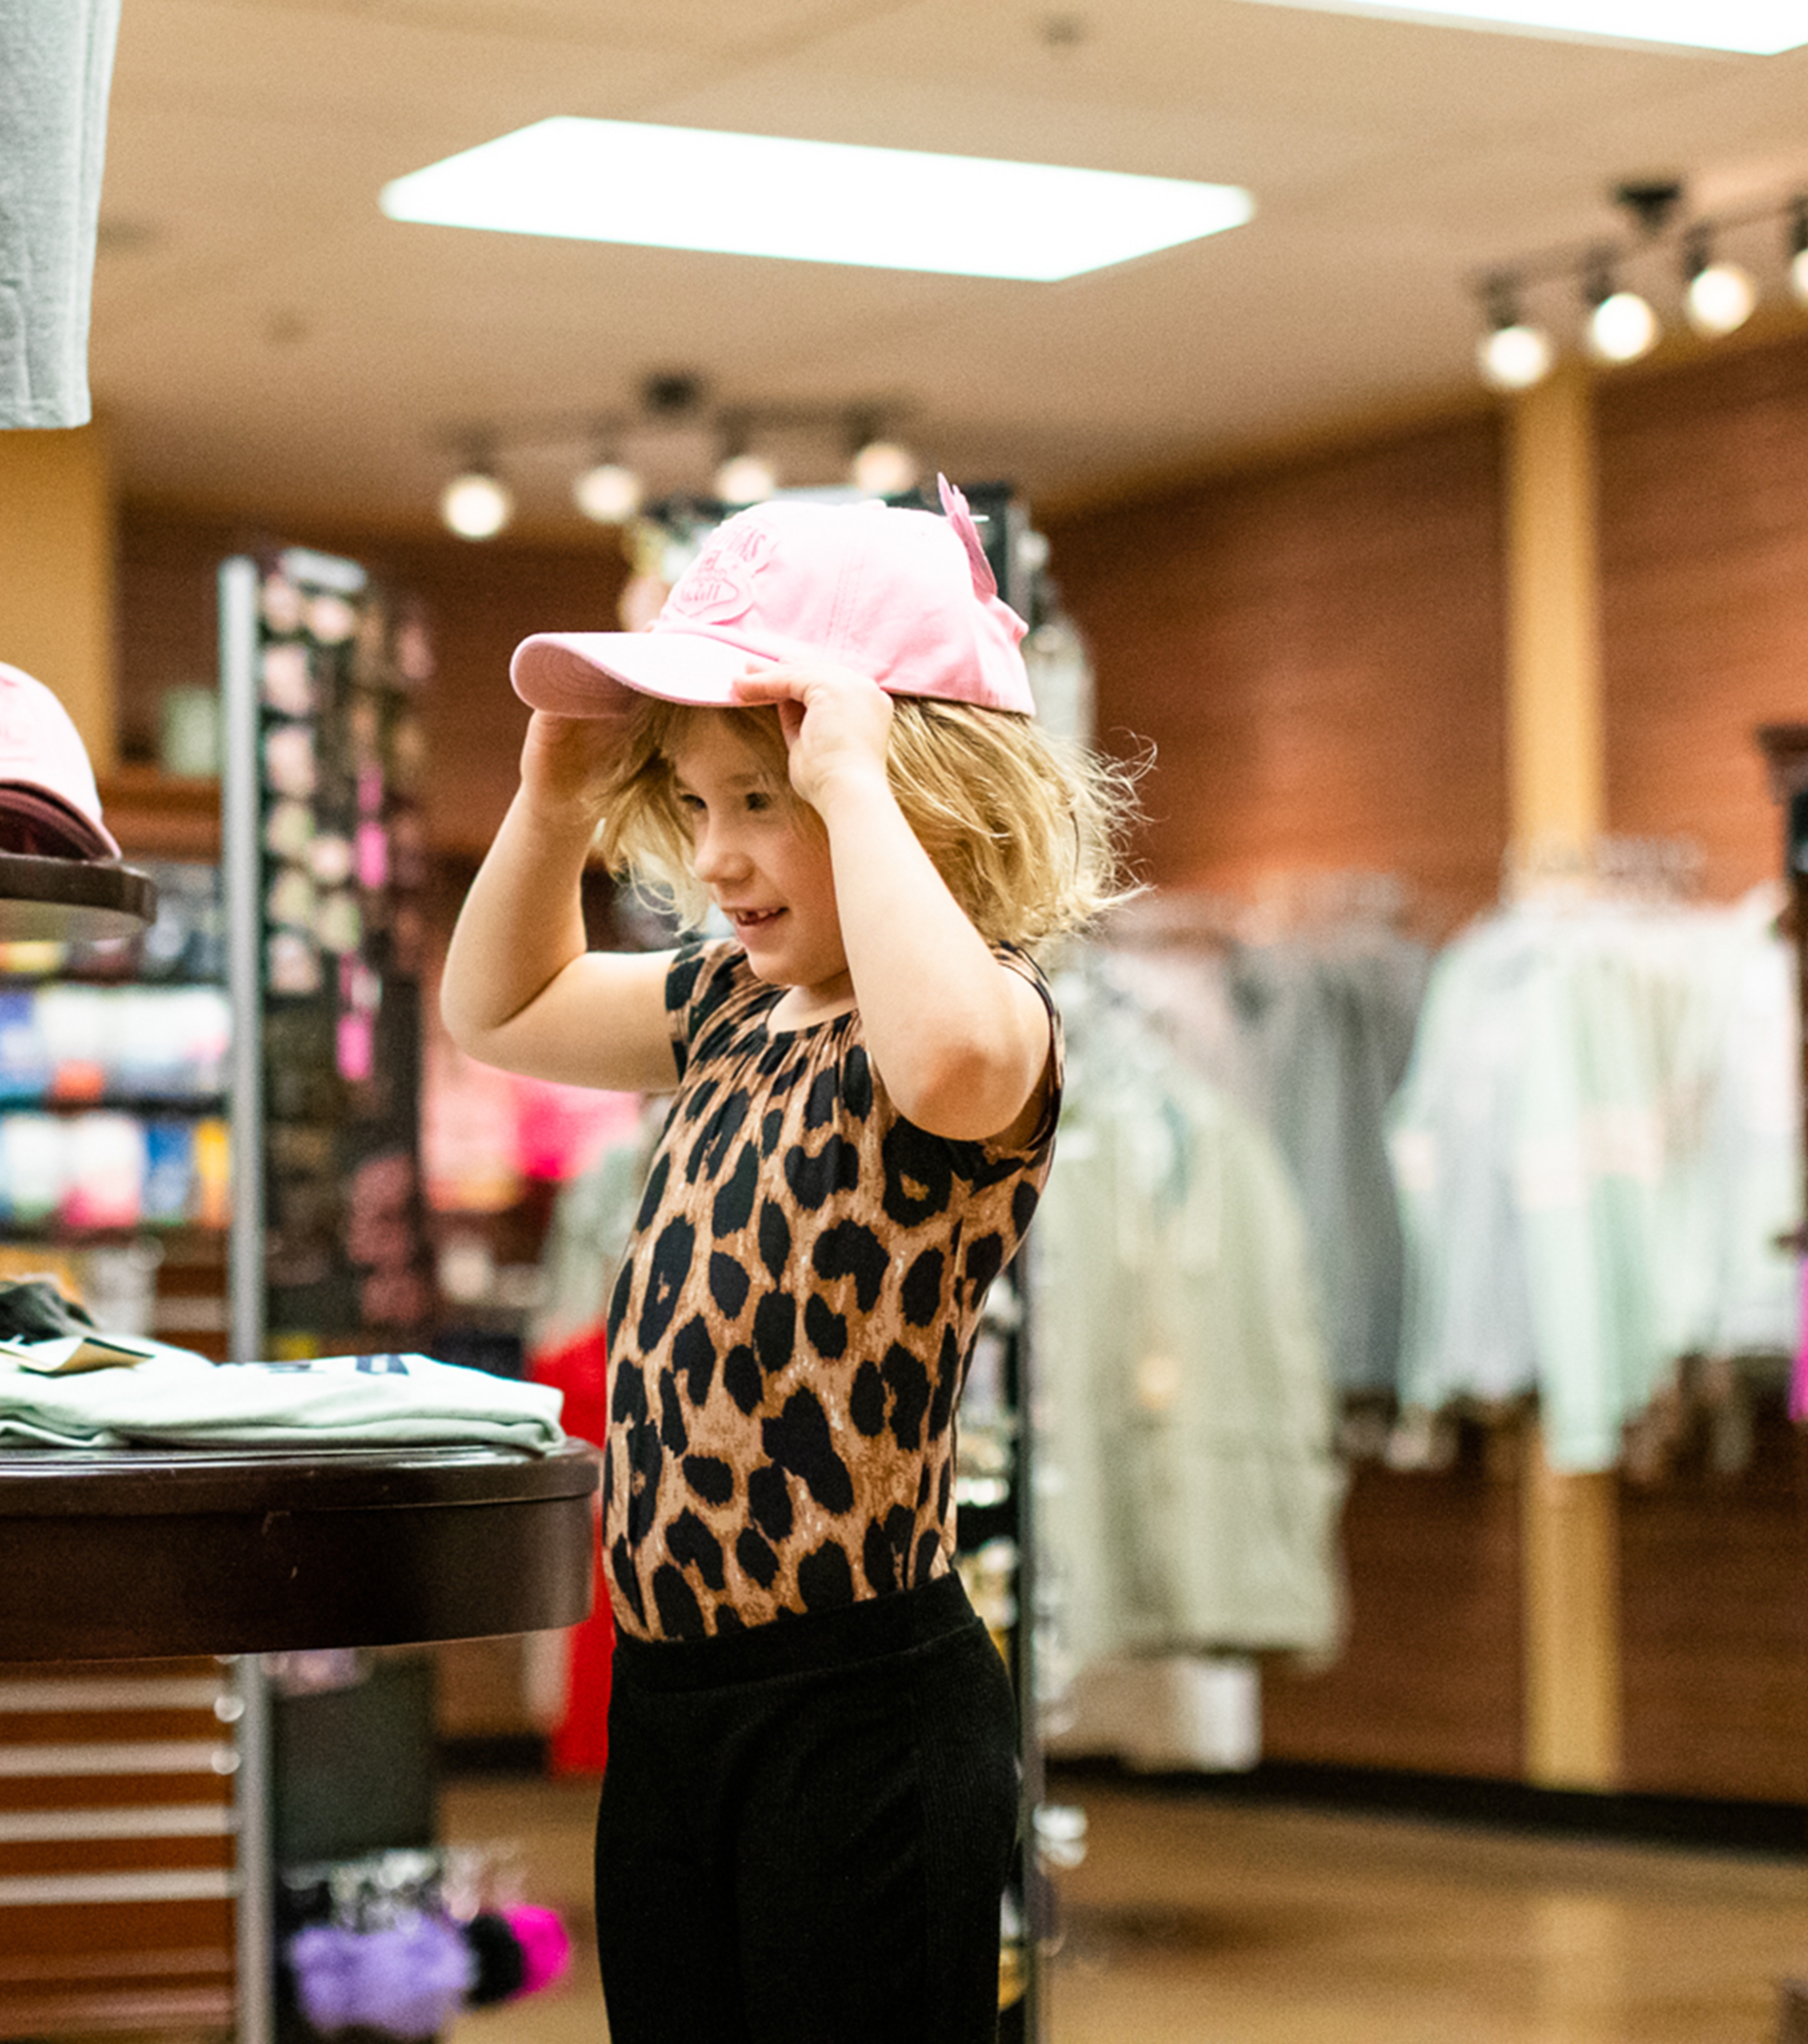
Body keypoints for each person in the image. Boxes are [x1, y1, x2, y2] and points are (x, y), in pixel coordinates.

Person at [440, 487, 1132, 2043]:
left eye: (768, 801)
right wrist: (554, 805)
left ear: (923, 794)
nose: (722, 856)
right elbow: (498, 1009)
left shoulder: (981, 1020)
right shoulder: (726, 1008)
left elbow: (947, 1060)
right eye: (695, 806)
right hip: (674, 1695)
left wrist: (858, 785)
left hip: (860, 1703)